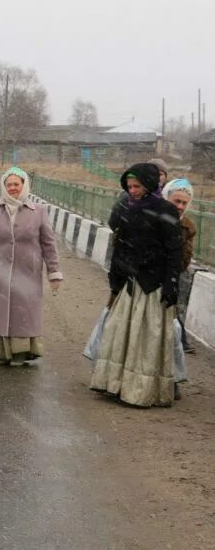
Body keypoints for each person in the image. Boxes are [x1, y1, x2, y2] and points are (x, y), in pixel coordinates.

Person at [90, 163, 182, 407]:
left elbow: (174, 251)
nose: (132, 190)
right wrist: (116, 278)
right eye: (129, 186)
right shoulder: (126, 208)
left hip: (153, 285)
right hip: (130, 282)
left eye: (137, 186)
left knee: (146, 338)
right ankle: (116, 384)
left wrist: (171, 284)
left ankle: (140, 390)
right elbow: (120, 245)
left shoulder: (166, 210)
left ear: (149, 185)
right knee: (119, 333)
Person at [0, 167, 63, 366]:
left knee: (24, 312)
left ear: (24, 185)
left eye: (16, 184)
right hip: (0, 272)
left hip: (28, 272)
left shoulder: (38, 212)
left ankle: (22, 352)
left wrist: (54, 272)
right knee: (1, 312)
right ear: (4, 187)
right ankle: (1, 351)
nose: (12, 188)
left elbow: (49, 244)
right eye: (9, 185)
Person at [163, 178, 197, 354]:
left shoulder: (187, 227)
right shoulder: (152, 217)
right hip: (143, 284)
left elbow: (184, 261)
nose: (181, 206)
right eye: (177, 201)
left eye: (185, 202)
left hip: (167, 287)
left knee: (166, 335)